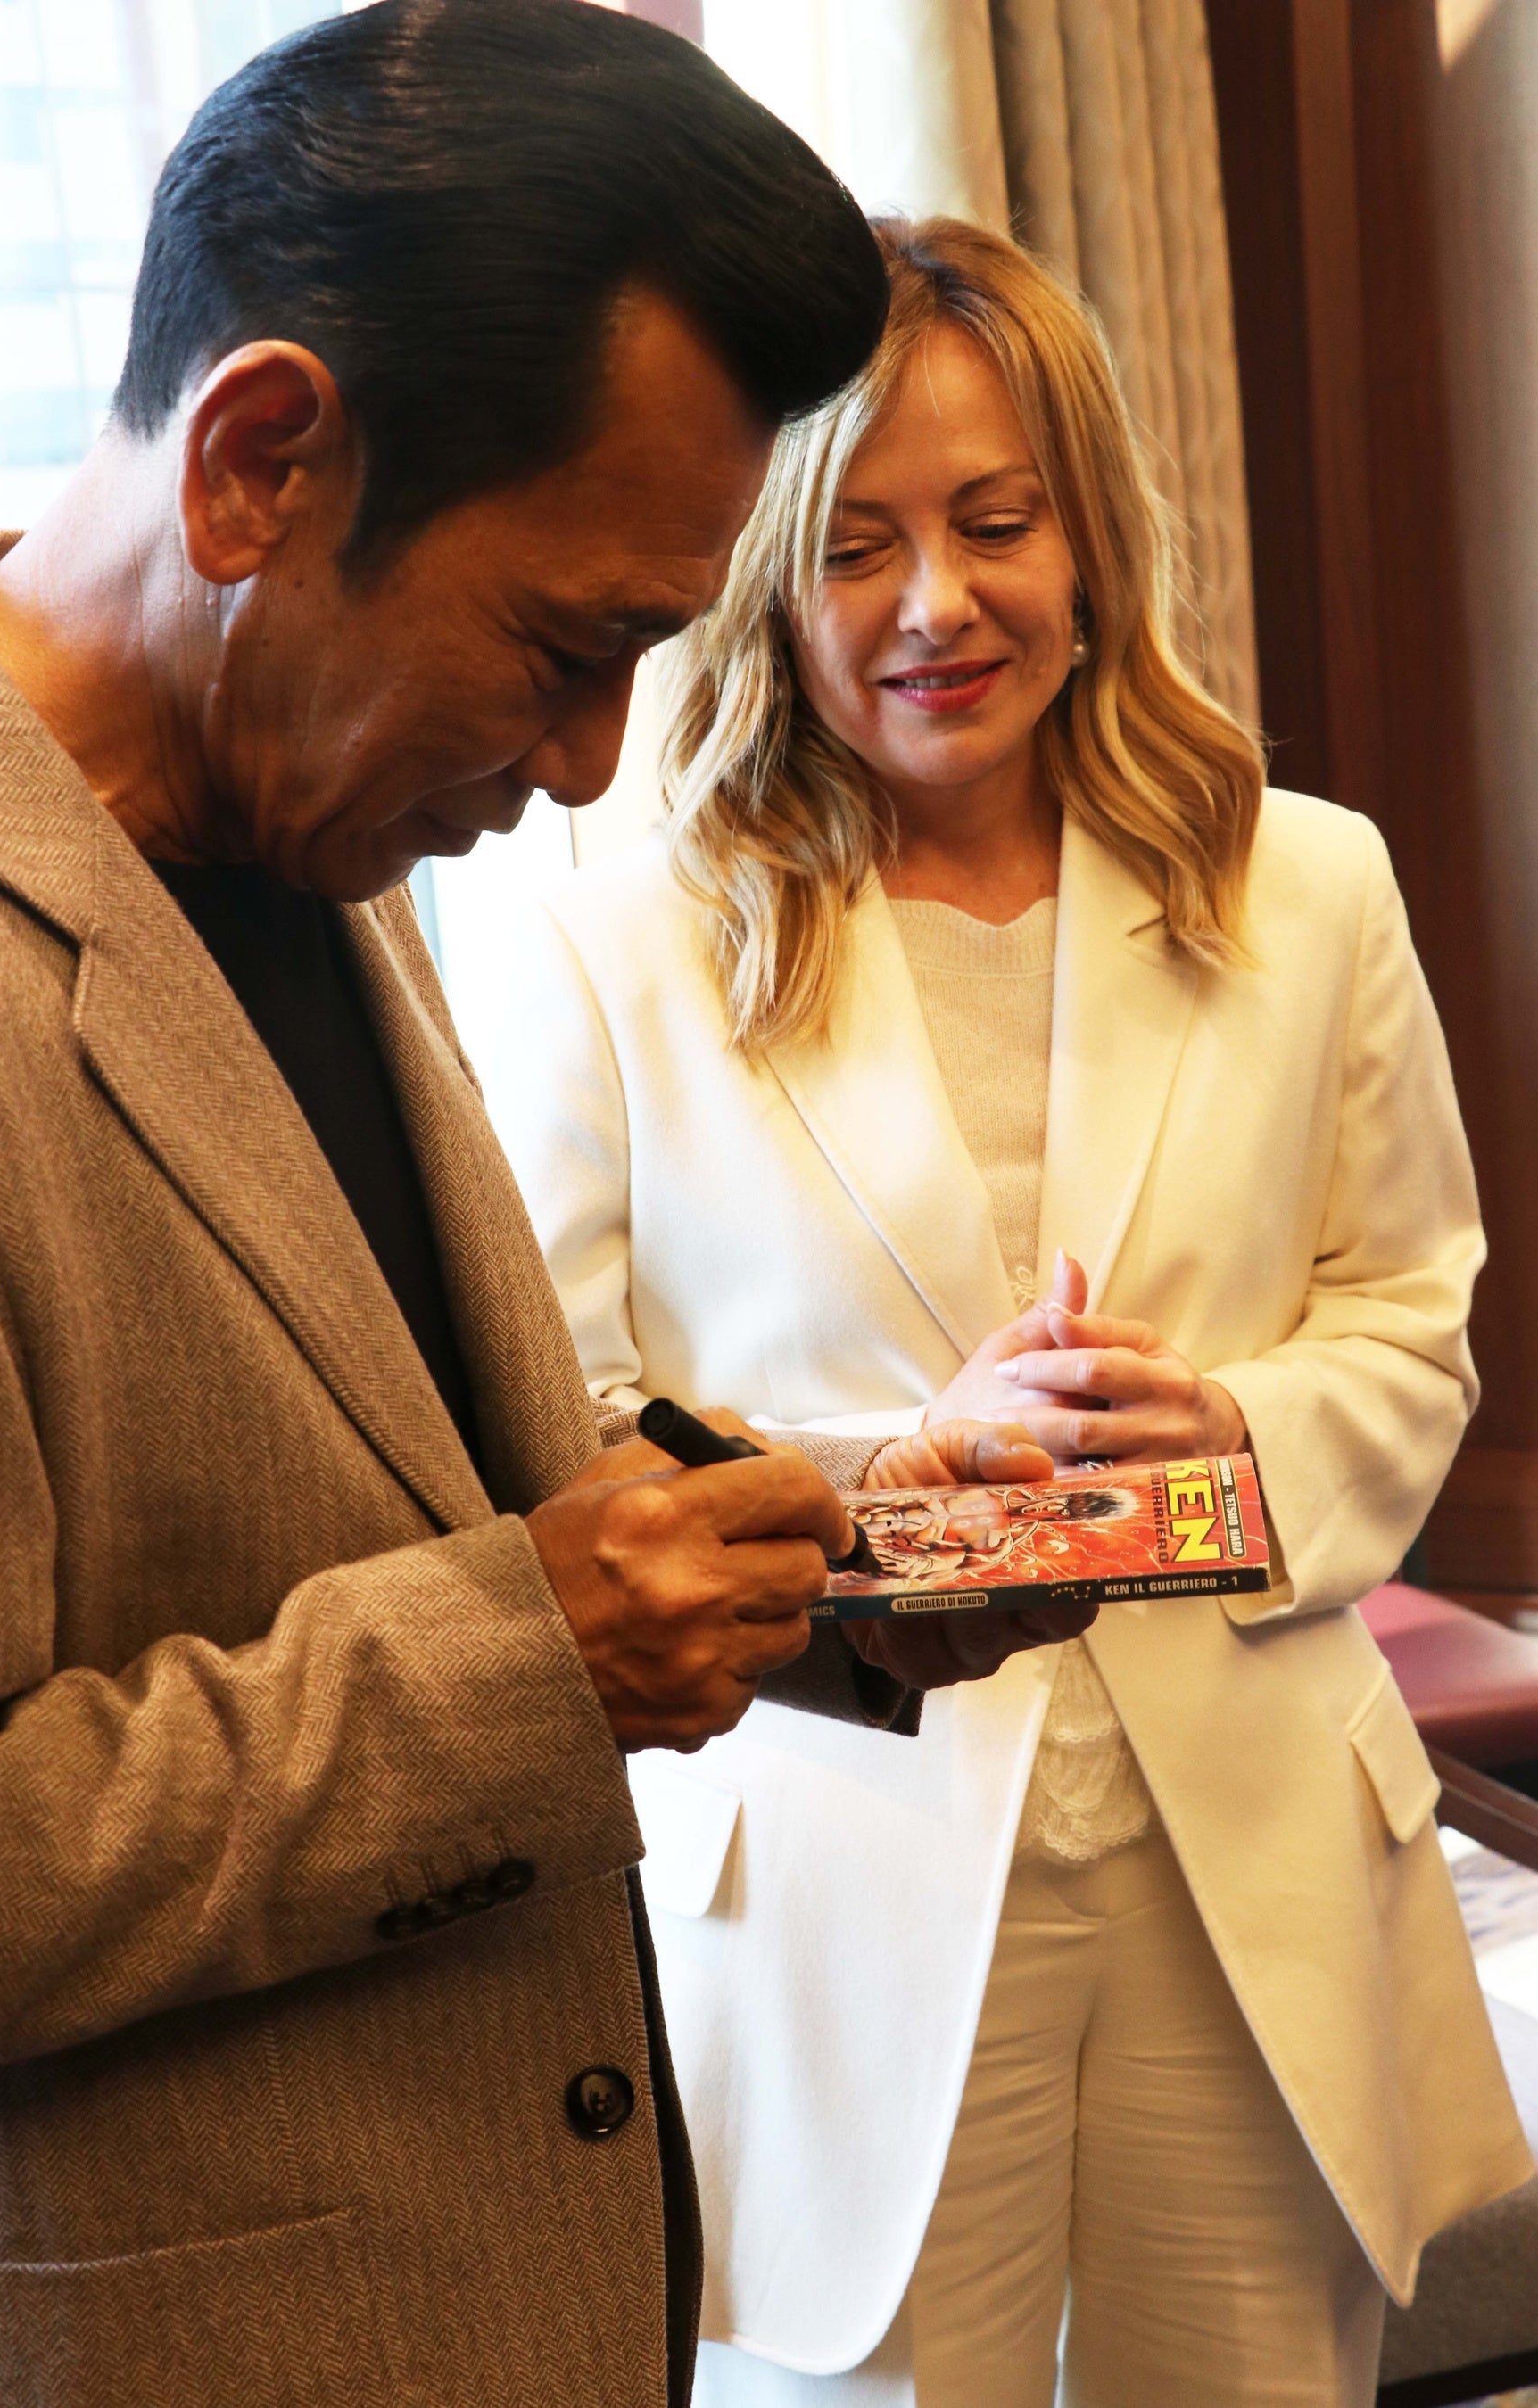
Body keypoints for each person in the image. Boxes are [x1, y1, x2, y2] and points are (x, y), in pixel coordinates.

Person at [0, 29, 1082, 2405]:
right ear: (260, 465)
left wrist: (845, 1546)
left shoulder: (309, 818)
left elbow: (415, 1482)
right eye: (569, 652)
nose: (583, 766)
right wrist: (523, 1666)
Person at [464, 218, 1533, 2407]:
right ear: (764, 578)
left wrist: (1232, 1442)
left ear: (1089, 539)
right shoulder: (608, 934)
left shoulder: (1308, 881)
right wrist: (909, 1482)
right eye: (856, 545)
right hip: (839, 1867)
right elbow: (556, 1419)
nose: (937, 603)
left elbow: (1410, 1319)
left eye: (995, 522)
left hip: (1250, 1864)